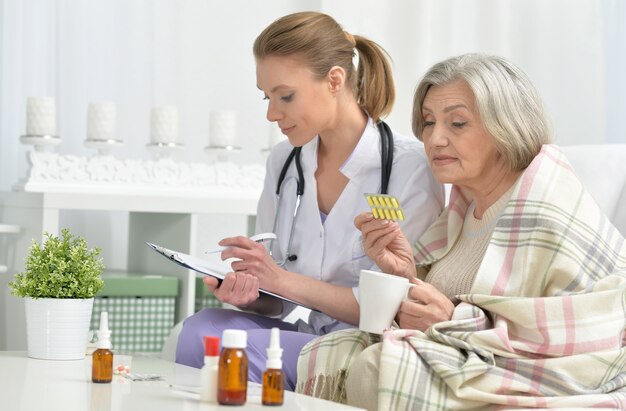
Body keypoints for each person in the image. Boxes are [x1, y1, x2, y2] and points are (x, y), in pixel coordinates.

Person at [296, 53, 626, 410]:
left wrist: (455, 320)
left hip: (543, 375)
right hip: (471, 359)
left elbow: (591, 333)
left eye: (457, 123)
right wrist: (406, 275)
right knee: (346, 352)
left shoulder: (548, 210)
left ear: (507, 126)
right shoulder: (462, 210)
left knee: (378, 366)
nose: (435, 139)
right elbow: (449, 308)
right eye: (428, 122)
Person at [175, 12, 444, 390]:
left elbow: (392, 305)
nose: (272, 114)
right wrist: (251, 293)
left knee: (217, 347)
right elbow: (278, 301)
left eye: (286, 96)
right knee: (200, 327)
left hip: (368, 342)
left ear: (335, 80)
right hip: (309, 334)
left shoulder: (409, 167)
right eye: (267, 97)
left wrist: (280, 280)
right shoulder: (284, 162)